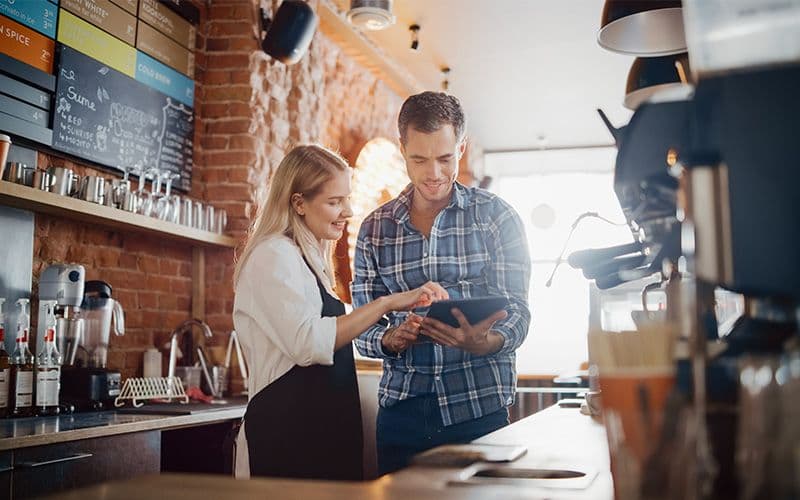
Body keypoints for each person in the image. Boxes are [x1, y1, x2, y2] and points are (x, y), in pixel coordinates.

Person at [232, 144, 448, 480]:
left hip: (321, 434)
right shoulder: (273, 255)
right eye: (334, 202)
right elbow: (308, 343)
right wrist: (388, 303)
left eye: (346, 199)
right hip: (284, 438)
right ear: (299, 203)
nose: (347, 211)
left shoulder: (310, 259)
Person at [352, 92, 532, 475]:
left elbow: (518, 311)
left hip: (479, 411)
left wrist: (487, 342)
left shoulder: (497, 218)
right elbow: (362, 326)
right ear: (403, 150)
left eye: (445, 158)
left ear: (461, 148)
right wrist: (388, 339)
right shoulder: (373, 230)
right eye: (419, 159)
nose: (433, 173)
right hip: (401, 416)